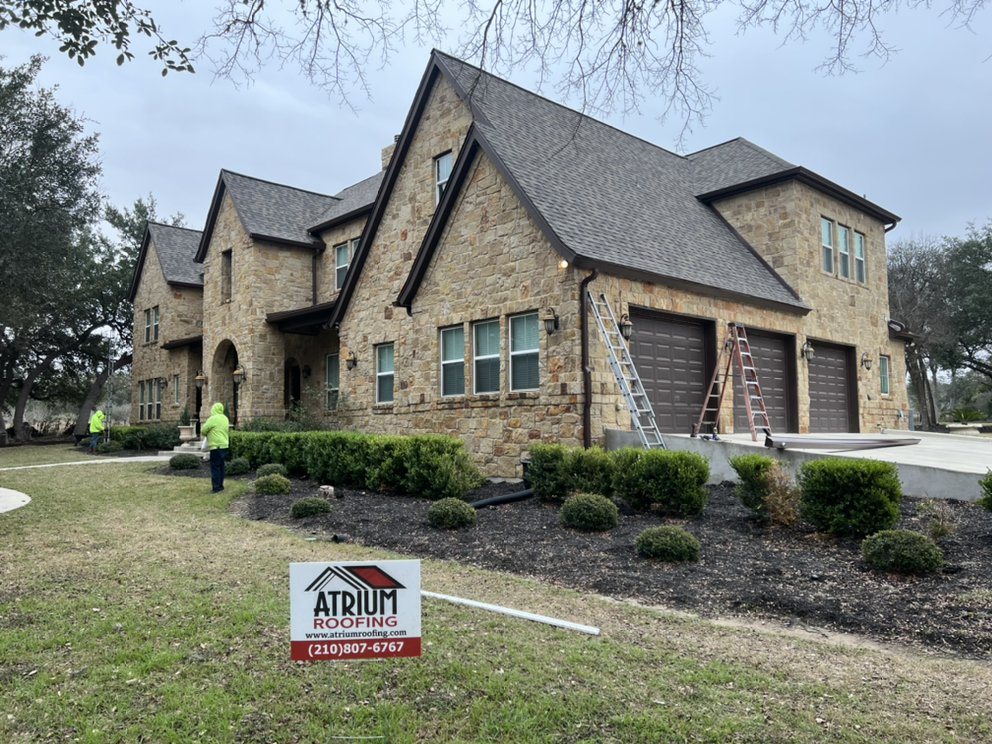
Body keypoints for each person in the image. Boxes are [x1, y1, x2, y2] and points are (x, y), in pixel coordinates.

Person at [200, 402, 230, 493]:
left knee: (215, 467)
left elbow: (203, 430)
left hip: (216, 446)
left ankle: (216, 488)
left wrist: (208, 433)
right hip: (224, 446)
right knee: (221, 466)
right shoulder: (225, 418)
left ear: (213, 409)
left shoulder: (212, 419)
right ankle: (221, 485)